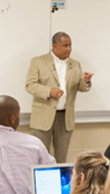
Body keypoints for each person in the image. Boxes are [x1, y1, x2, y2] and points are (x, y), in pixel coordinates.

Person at [25, 31, 94, 162]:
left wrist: (85, 81)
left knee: (61, 158)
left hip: (65, 118)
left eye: (70, 45)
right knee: (40, 156)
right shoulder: (38, 62)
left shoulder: (75, 64)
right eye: (65, 45)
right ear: (55, 46)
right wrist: (49, 91)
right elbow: (30, 85)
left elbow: (81, 87)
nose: (69, 49)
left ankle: (60, 182)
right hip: (42, 116)